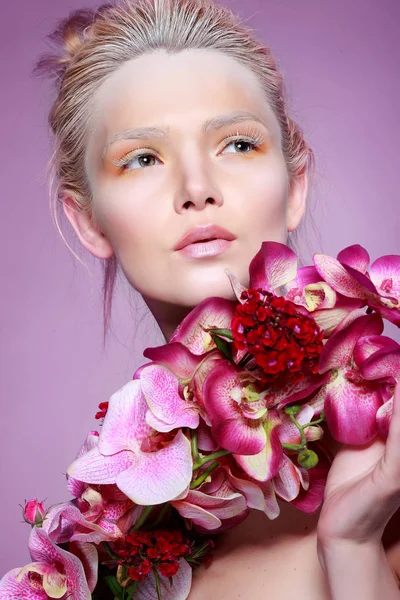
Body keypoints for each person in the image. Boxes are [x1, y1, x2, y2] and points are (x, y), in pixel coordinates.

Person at [33, 0, 400, 597]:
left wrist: (352, 544)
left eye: (237, 144)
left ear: (295, 184)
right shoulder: (100, 532)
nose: (197, 189)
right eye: (143, 158)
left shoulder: (388, 460)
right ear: (89, 221)